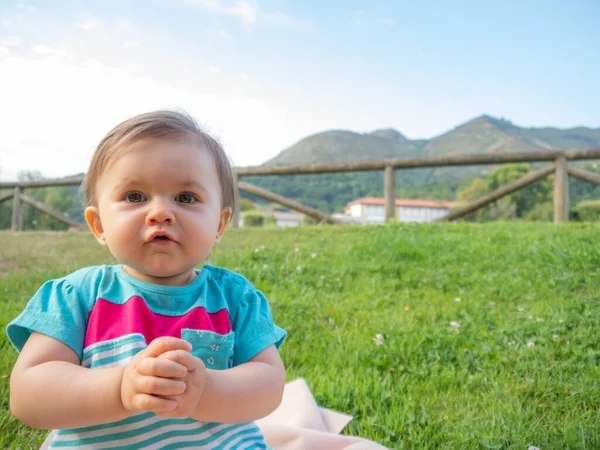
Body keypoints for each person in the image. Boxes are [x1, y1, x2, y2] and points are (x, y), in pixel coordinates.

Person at [7, 110, 287, 449]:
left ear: (219, 224)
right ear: (99, 226)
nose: (160, 213)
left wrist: (206, 390)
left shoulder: (235, 298)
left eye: (186, 198)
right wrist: (120, 387)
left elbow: (269, 384)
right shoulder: (76, 297)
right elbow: (28, 394)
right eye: (135, 197)